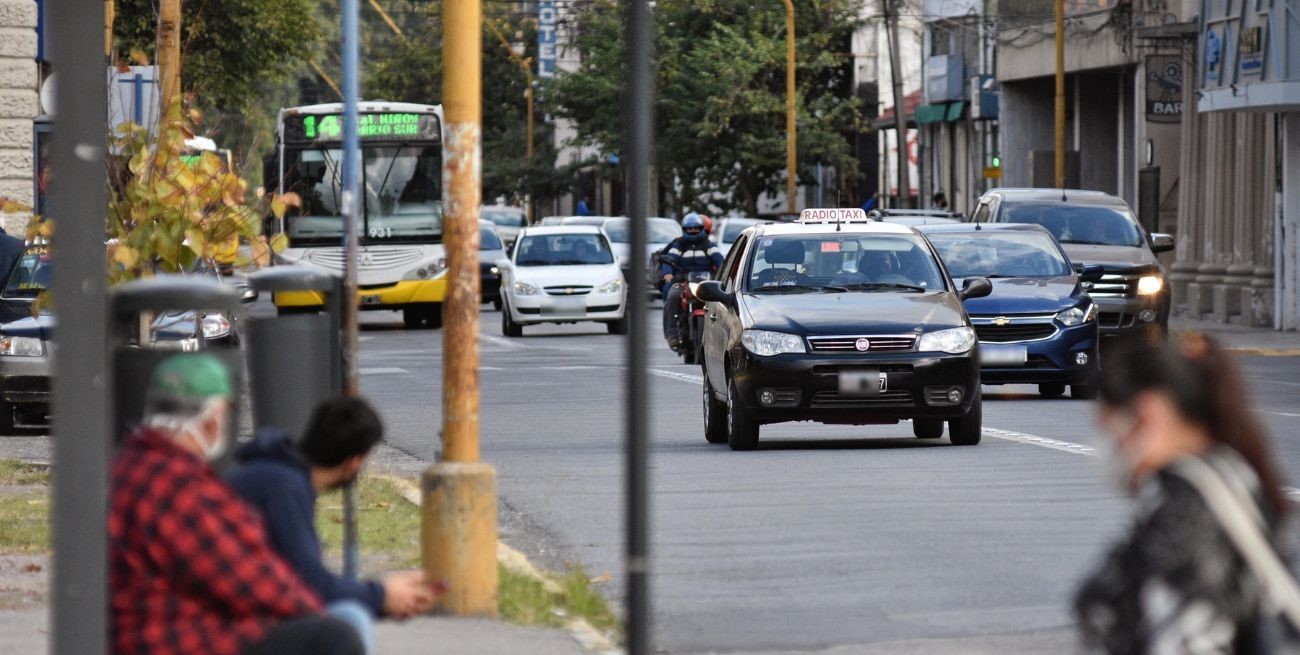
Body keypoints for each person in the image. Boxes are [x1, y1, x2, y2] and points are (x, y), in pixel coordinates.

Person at [110, 353, 362, 655]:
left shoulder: (132, 464)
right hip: (179, 637)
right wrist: (313, 611)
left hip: (158, 623)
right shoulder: (178, 484)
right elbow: (248, 580)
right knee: (337, 634)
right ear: (212, 420)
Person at [1075, 334, 1289, 654]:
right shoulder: (1227, 475)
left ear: (1148, 414)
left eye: (1106, 426)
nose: (1104, 445)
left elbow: (1188, 637)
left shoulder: (1189, 512)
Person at [226, 397, 438, 655]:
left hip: (235, 609)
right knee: (350, 619)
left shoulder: (275, 474)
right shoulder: (284, 488)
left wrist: (380, 596)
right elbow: (309, 582)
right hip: (229, 624)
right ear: (355, 462)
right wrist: (381, 595)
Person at [659, 213, 724, 344]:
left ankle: (720, 337)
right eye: (689, 229)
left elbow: (720, 260)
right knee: (672, 297)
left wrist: (725, 271)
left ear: (701, 228)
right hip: (683, 283)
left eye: (696, 228)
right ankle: (673, 335)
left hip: (704, 283)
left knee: (721, 301)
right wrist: (668, 274)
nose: (692, 231)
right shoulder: (679, 244)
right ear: (684, 229)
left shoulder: (708, 245)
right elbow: (669, 260)